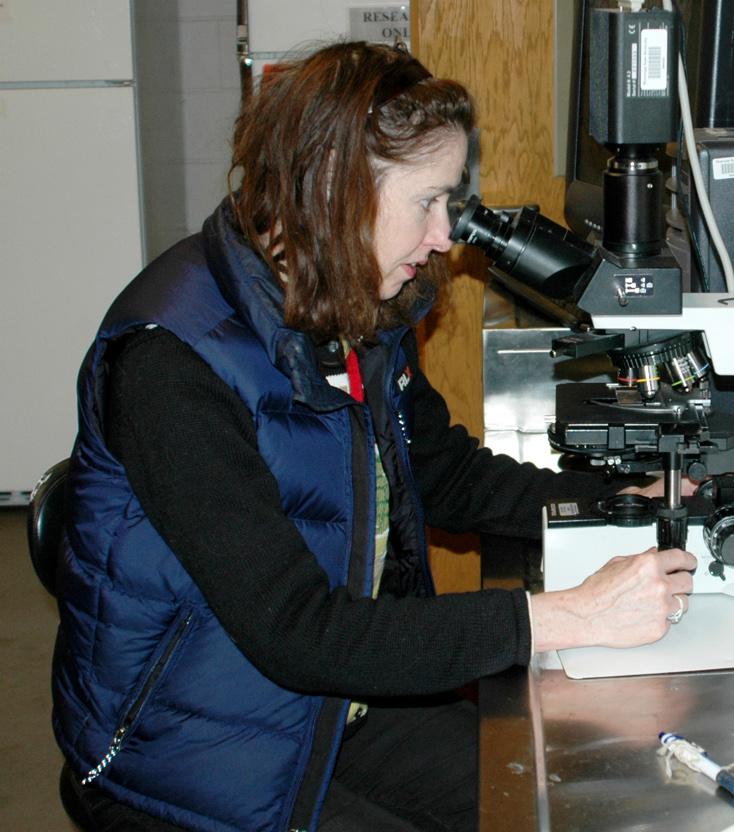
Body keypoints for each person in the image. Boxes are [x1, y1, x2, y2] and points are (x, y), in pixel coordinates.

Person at [52, 42, 696, 832]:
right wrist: (568, 617)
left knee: (559, 803)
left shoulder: (357, 311)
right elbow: (299, 632)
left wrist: (618, 499)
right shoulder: (172, 365)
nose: (443, 237)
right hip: (196, 749)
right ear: (332, 186)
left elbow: (450, 478)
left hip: (339, 707)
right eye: (426, 202)